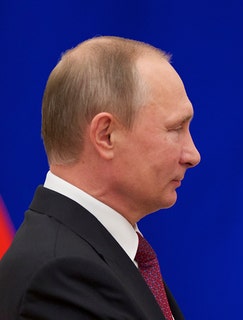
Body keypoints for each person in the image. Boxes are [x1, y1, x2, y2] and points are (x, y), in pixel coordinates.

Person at [0, 36, 200, 319]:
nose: (193, 155)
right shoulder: (57, 276)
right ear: (106, 135)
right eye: (176, 128)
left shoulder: (96, 255)